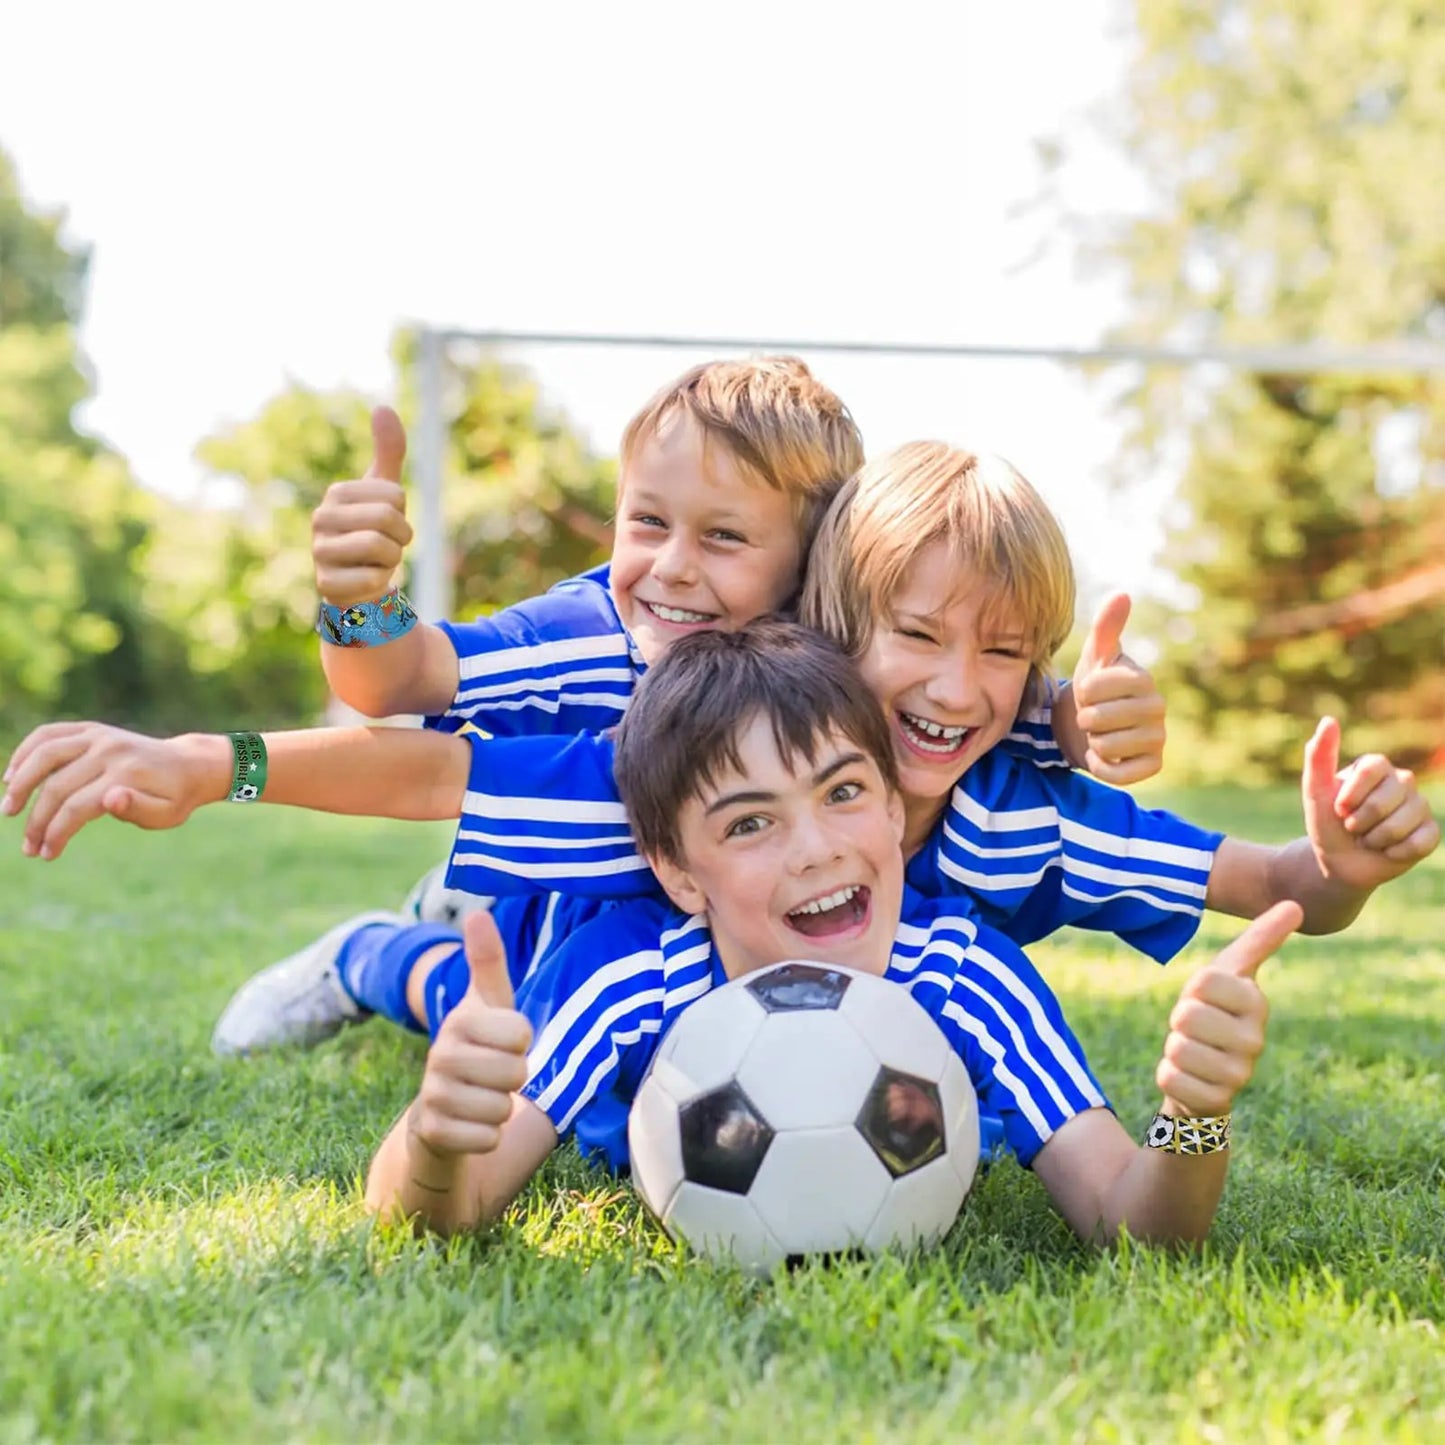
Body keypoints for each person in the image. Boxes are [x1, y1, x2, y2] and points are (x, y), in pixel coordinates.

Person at [364, 618, 1303, 1249]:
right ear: (679, 870)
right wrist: (437, 1145)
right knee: (453, 1000)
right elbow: (437, 1208)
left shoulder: (965, 973)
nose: (816, 849)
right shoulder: (622, 977)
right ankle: (367, 952)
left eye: (843, 793)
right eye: (748, 821)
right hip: (546, 944)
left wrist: (1193, 1115)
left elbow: (1128, 1222)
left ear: (896, 809)